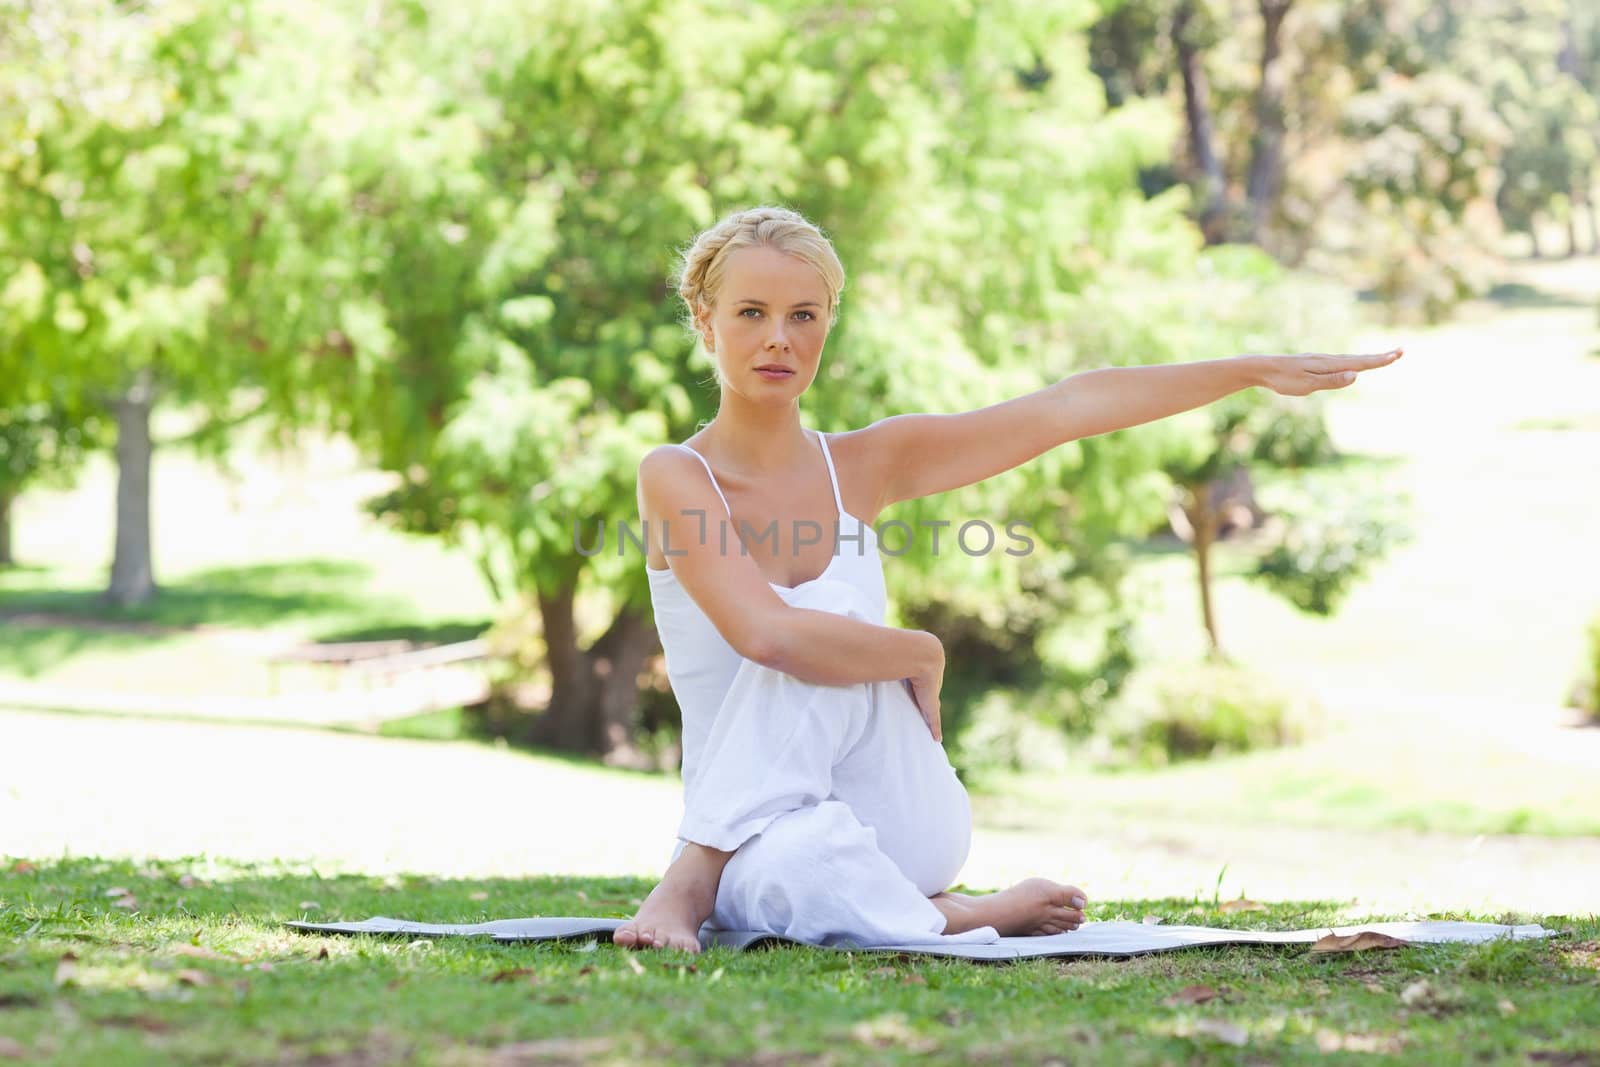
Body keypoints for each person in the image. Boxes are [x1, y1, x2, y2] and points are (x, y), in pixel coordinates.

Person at [615, 205, 1402, 952]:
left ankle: (690, 882)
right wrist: (916, 651)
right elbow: (763, 635)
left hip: (898, 805)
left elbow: (1069, 406)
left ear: (827, 323)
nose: (778, 338)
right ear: (705, 322)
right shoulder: (676, 476)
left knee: (825, 611)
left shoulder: (864, 464)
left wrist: (1250, 369)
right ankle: (953, 914)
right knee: (795, 869)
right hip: (764, 835)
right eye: (751, 313)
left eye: (804, 315)